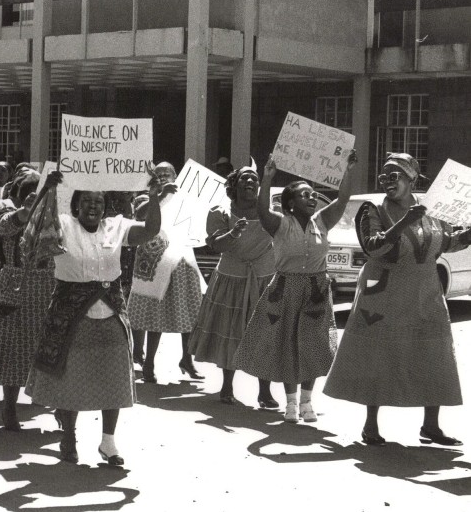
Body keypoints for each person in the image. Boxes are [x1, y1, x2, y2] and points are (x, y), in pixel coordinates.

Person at [26, 172, 173, 466]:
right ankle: (68, 436)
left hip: (110, 311)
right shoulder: (62, 225)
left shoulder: (116, 227)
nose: (93, 206)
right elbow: (33, 230)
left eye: (99, 202)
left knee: (114, 377)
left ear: (105, 207)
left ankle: (108, 443)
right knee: (69, 377)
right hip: (71, 313)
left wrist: (154, 197)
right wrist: (49, 189)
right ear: (76, 205)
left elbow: (150, 231)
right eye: (87, 201)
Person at [324, 154, 469, 446]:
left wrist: (467, 235)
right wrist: (403, 222)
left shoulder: (431, 210)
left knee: (433, 356)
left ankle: (431, 426)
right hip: (386, 292)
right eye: (384, 176)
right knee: (379, 355)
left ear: (411, 179)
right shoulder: (373, 209)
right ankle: (370, 426)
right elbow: (373, 247)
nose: (388, 181)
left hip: (426, 291)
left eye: (395, 175)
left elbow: (447, 241)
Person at [232, 150, 358, 423]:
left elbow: (344, 199)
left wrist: (347, 171)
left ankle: (307, 402)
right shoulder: (279, 223)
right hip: (285, 288)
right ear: (290, 202)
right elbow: (262, 210)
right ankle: (290, 403)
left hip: (315, 289)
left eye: (313, 194)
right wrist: (267, 178)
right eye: (304, 194)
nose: (312, 197)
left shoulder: (323, 221)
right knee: (288, 343)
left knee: (312, 344)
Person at [190, 166, 279, 407]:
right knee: (230, 333)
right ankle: (227, 386)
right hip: (231, 280)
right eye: (244, 177)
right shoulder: (220, 212)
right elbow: (216, 246)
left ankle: (265, 392)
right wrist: (233, 233)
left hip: (263, 280)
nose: (250, 180)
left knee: (265, 335)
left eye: (255, 178)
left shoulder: (270, 214)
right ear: (234, 185)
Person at [0, 170, 53, 430]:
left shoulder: (54, 220)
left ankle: (50, 400)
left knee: (48, 349)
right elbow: (6, 224)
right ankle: (9, 407)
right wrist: (26, 210)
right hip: (15, 286)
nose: (35, 200)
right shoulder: (3, 214)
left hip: (46, 287)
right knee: (13, 350)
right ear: (17, 198)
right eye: (28, 195)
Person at [127, 162, 205, 384]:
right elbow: (140, 215)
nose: (162, 177)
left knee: (190, 309)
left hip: (182, 261)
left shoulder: (186, 197)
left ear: (175, 175)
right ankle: (149, 362)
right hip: (155, 263)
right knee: (155, 313)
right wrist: (159, 195)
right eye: (158, 175)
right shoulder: (148, 195)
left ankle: (187, 359)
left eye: (166, 174)